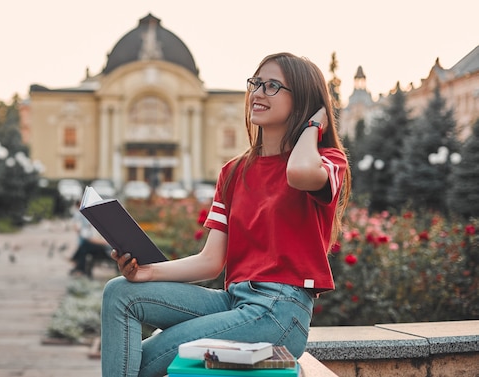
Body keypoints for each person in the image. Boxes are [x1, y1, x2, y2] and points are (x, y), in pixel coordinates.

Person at [101, 52, 352, 377]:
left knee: (156, 355)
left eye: (273, 86)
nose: (258, 93)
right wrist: (146, 273)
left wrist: (315, 124)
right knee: (119, 292)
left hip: (281, 311)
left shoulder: (326, 161)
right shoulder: (234, 172)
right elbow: (211, 261)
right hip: (234, 300)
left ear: (302, 99)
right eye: (256, 83)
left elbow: (298, 173)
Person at [69, 200, 110, 277]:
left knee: (85, 246)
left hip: (105, 250)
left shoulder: (107, 227)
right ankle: (80, 267)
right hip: (100, 247)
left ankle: (78, 264)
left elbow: (105, 242)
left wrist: (92, 240)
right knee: (85, 247)